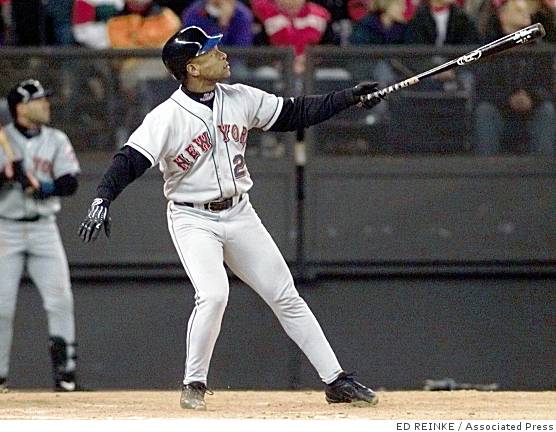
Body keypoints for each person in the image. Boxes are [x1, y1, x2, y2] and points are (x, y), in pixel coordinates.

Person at [78, 25, 383, 410]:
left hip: (239, 212)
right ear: (191, 67)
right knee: (213, 294)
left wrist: (349, 98)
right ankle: (194, 383)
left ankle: (336, 381)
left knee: (285, 294)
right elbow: (130, 159)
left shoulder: (239, 97)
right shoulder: (168, 116)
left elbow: (294, 112)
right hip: (193, 218)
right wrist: (102, 197)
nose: (223, 54)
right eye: (211, 51)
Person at [0, 79, 82, 392]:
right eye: (39, 99)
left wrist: (43, 186)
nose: (46, 104)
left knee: (60, 300)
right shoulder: (3, 138)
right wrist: (6, 176)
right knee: (2, 306)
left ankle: (66, 376)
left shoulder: (56, 139)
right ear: (20, 106)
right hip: (5, 227)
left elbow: (70, 182)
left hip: (44, 227)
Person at [473, 0, 555, 155]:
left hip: (533, 107)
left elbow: (547, 84)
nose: (525, 12)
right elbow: (484, 85)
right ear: (502, 15)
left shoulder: (541, 51)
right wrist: (508, 99)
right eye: (518, 10)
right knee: (484, 111)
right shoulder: (488, 47)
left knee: (547, 111)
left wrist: (531, 98)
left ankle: (544, 174)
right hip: (499, 106)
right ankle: (485, 171)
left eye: (526, 10)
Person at [251, 0, 338, 74]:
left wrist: (309, 60)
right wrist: (284, 61)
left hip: (315, 69)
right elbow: (259, 50)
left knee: (337, 75)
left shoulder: (321, 16)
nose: (291, 2)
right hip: (278, 69)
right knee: (264, 73)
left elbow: (332, 48)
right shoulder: (266, 17)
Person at [181, 0, 254, 46]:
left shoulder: (242, 15)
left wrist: (225, 24)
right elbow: (191, 44)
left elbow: (242, 48)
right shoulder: (194, 12)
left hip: (233, 62)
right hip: (202, 60)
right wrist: (219, 27)